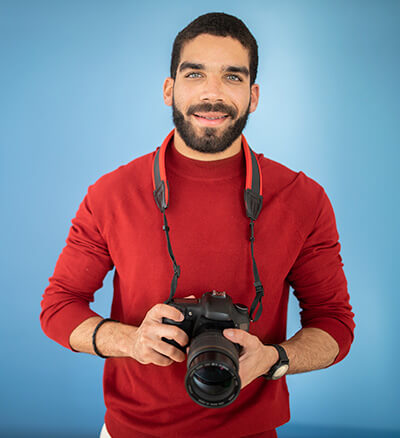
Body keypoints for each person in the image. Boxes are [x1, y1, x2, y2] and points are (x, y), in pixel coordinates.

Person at [40, 12, 355, 438]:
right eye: (194, 74)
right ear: (169, 89)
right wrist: (130, 341)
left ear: (253, 95)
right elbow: (59, 306)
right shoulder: (111, 194)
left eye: (232, 77)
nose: (212, 94)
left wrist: (275, 358)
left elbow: (335, 323)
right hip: (131, 430)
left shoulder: (303, 198)